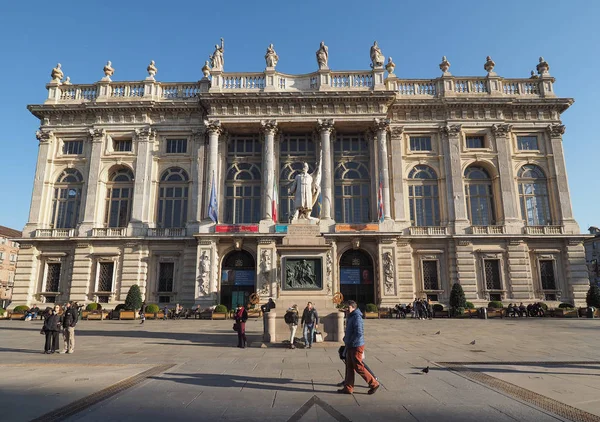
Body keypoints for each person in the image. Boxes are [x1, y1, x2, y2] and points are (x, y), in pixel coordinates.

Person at [338, 300, 380, 395]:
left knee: (358, 366)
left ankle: (374, 383)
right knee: (349, 366)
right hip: (350, 344)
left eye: (348, 308)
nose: (347, 310)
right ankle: (348, 387)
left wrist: (352, 341)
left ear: (353, 307)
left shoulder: (357, 317)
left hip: (356, 345)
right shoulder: (351, 316)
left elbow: (359, 333)